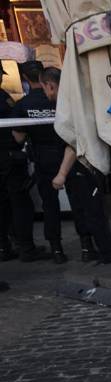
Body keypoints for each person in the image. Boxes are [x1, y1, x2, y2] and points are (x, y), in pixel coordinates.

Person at [36, 69, 111, 264]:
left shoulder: (68, 107)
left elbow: (73, 144)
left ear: (50, 85)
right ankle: (103, 249)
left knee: (92, 212)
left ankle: (107, 252)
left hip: (83, 167)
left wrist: (61, 173)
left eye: (44, 88)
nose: (45, 93)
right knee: (87, 210)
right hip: (82, 168)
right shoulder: (71, 103)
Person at [12, 63, 69, 263]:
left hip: (43, 157)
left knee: (50, 205)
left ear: (26, 79)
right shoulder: (62, 99)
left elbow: (18, 138)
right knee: (80, 203)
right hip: (69, 153)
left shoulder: (22, 104)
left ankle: (56, 249)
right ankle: (88, 245)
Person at [0, 63, 40, 263]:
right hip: (9, 157)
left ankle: (4, 247)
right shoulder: (2, 97)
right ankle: (26, 247)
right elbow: (16, 130)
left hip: (6, 157)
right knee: (20, 204)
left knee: (4, 204)